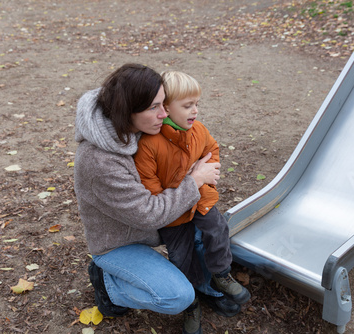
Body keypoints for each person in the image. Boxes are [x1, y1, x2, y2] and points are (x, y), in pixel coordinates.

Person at [73, 63, 223, 334]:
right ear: (127, 110)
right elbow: (149, 213)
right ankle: (108, 284)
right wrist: (195, 180)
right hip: (121, 243)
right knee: (176, 296)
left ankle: (209, 286)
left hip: (158, 228)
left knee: (215, 230)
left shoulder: (138, 128)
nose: (164, 114)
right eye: (154, 107)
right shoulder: (99, 161)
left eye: (163, 103)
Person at [134, 71, 251, 333]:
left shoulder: (197, 130)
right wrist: (190, 179)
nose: (195, 111)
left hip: (200, 200)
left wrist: (206, 176)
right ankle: (190, 303)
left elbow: (212, 150)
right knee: (181, 256)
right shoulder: (150, 144)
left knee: (217, 230)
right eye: (187, 106)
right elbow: (152, 192)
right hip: (173, 213)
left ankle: (220, 277)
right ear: (165, 107)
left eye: (197, 104)